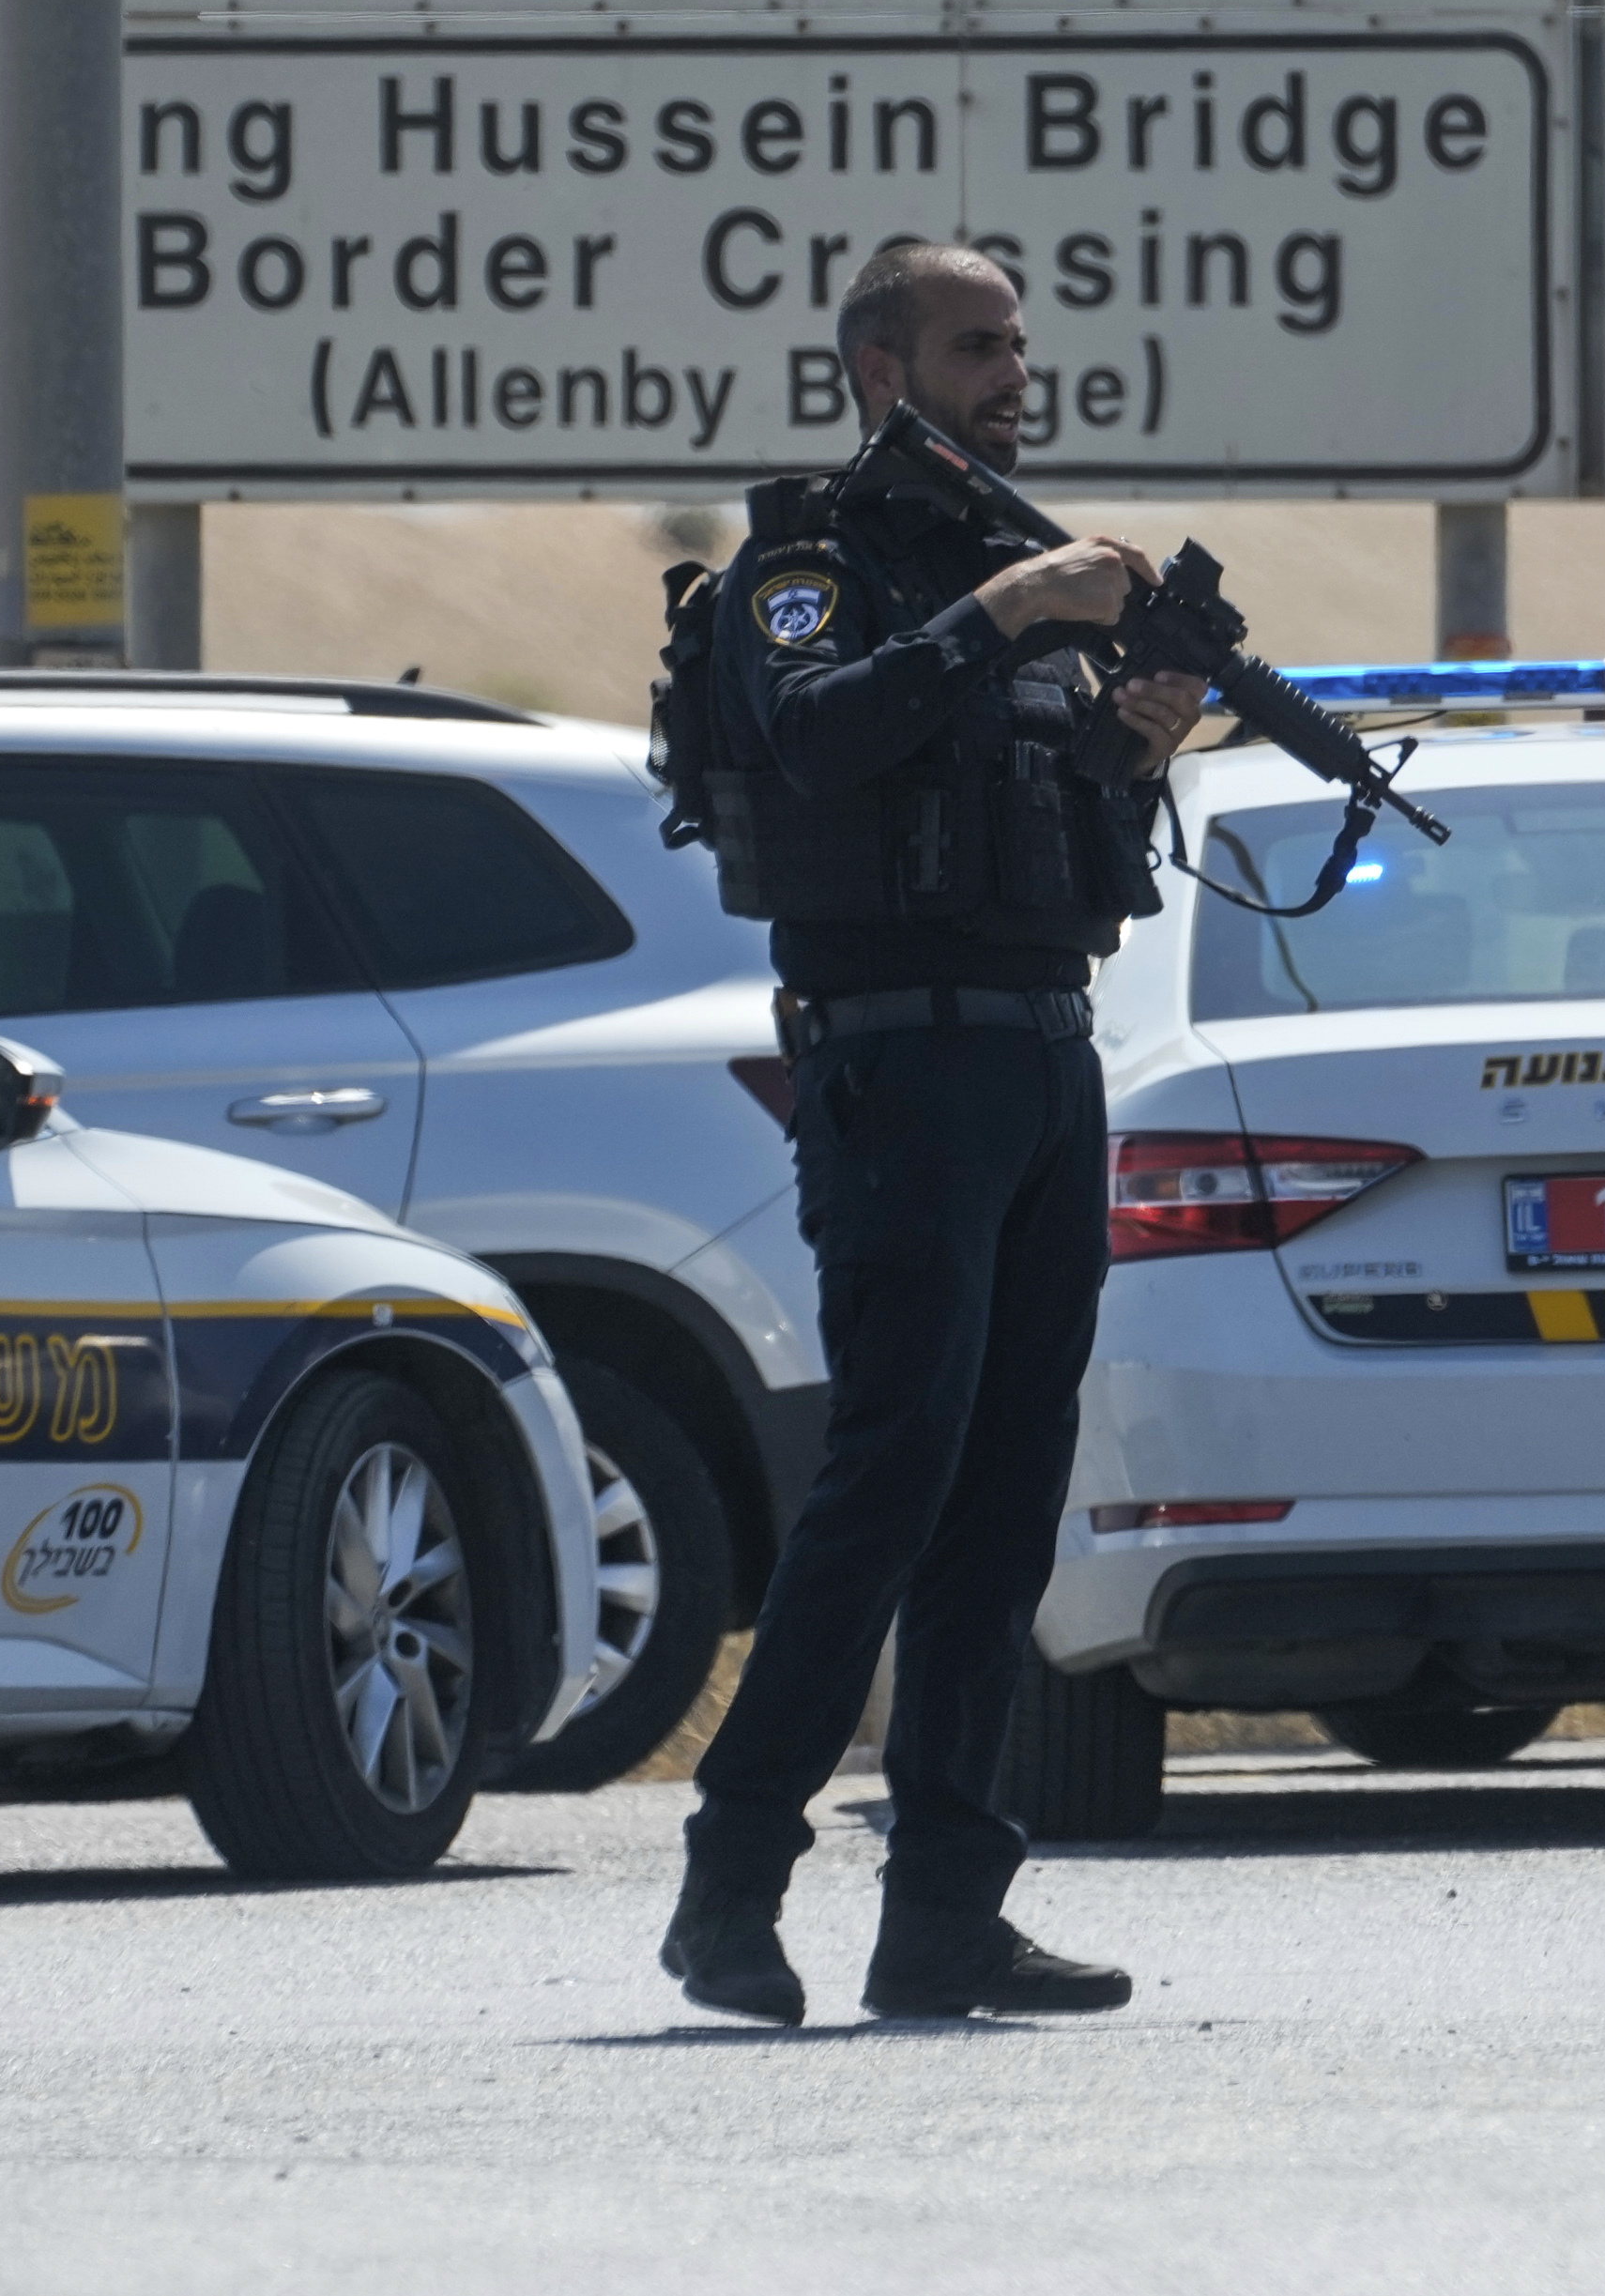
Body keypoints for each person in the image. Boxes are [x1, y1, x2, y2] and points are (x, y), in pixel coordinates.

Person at [656, 241, 1202, 2027]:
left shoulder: (1005, 579)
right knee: (888, 1474)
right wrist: (1006, 615)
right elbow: (815, 741)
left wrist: (1132, 751)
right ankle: (731, 1883)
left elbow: (1080, 877)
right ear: (881, 369)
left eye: (1018, 347)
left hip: (1044, 1059)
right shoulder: (806, 572)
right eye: (975, 348)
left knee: (1004, 1493)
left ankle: (946, 1909)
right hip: (897, 1067)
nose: (1009, 375)